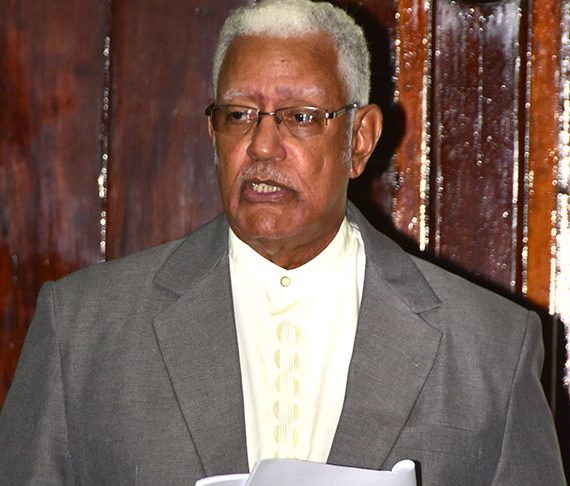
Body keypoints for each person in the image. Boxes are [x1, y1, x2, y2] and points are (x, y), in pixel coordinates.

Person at [0, 0, 565, 484]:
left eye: (301, 117)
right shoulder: (83, 329)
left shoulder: (488, 346)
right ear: (213, 134)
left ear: (359, 140)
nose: (263, 146)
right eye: (239, 115)